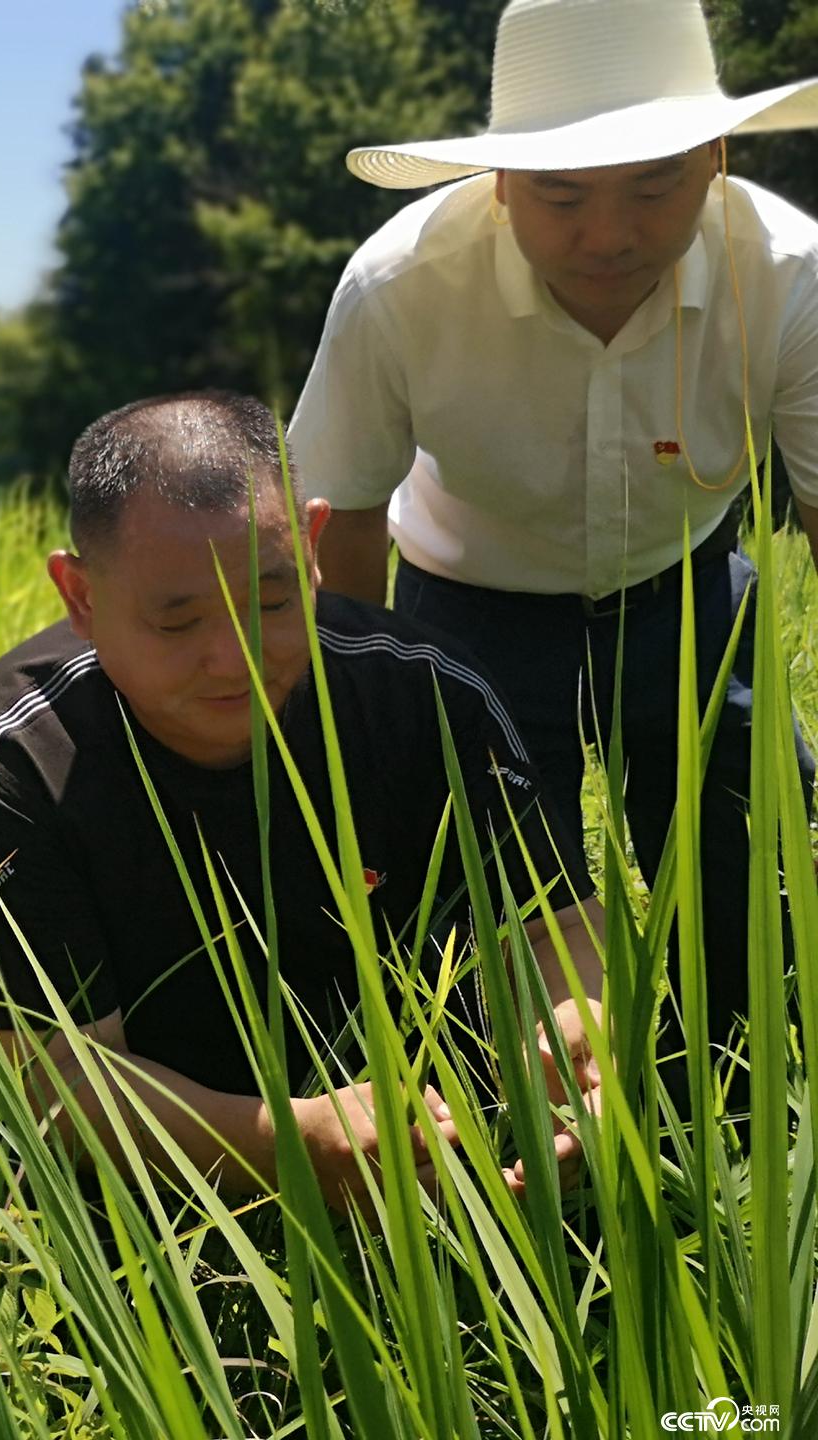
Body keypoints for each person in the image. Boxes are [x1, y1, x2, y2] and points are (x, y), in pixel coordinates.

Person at [289, 0, 818, 1119]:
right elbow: (342, 513)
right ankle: (539, 1152)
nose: (608, 233)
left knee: (747, 863)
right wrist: (366, 715)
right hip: (465, 606)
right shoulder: (399, 285)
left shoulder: (788, 273)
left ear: (716, 159)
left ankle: (726, 1129)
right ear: (499, 184)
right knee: (504, 908)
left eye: (653, 186)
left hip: (687, 586)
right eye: (562, 196)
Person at [0, 391, 606, 1207]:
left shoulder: (424, 691)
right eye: (179, 622)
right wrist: (289, 1144)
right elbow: (51, 1079)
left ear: (313, 548)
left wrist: (581, 1037)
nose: (232, 658)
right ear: (81, 595)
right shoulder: (4, 772)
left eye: (271, 602)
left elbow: (557, 925)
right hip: (133, 1220)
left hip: (422, 1122)